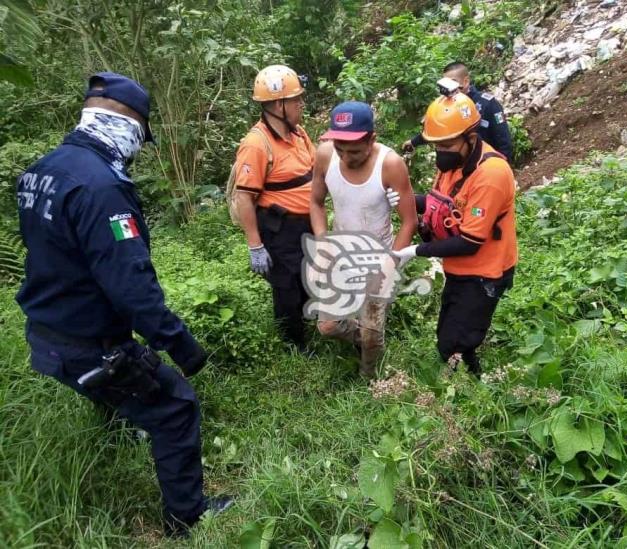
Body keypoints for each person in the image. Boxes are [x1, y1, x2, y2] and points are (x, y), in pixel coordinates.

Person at [15, 72, 232, 536]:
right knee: (175, 408)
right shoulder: (102, 188)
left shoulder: (44, 169)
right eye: (140, 137)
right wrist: (182, 346)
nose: (138, 148)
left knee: (120, 398)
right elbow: (131, 285)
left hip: (46, 332)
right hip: (89, 345)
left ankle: (122, 432)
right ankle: (187, 519)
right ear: (129, 125)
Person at [394, 92, 517, 374]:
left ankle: (471, 393)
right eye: (436, 146)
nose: (441, 152)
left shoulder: (491, 174)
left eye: (447, 145)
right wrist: (406, 199)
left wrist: (415, 251)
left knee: (454, 344)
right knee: (451, 332)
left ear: (471, 138)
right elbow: (441, 203)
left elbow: (469, 242)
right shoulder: (453, 165)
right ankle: (468, 377)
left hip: (484, 271)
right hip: (459, 269)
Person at [310, 101, 417, 378]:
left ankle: (369, 375)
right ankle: (367, 339)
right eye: (340, 148)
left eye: (355, 150)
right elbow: (316, 202)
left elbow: (409, 222)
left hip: (379, 257)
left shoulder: (390, 164)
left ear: (372, 139)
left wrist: (390, 266)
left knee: (371, 332)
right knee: (329, 326)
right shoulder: (324, 156)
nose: (346, 157)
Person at [230, 64, 316, 351]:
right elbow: (244, 197)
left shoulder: (299, 133)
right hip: (279, 229)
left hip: (307, 224)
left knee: (307, 280)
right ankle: (293, 347)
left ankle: (307, 331)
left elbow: (315, 170)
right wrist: (255, 246)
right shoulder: (257, 143)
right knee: (287, 289)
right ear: (278, 105)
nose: (301, 104)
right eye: (295, 100)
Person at [402, 62, 513, 163]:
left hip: (486, 165)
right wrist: (413, 142)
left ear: (465, 81)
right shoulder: (446, 105)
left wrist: (501, 167)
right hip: (459, 165)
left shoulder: (488, 104)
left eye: (453, 82)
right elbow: (440, 131)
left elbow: (504, 142)